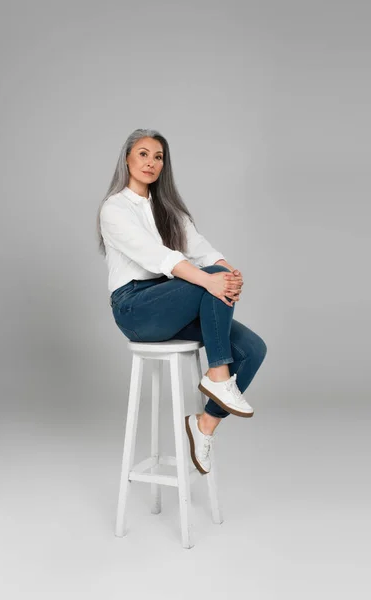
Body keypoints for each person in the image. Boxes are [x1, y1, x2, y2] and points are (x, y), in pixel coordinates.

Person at [96, 128, 267, 475]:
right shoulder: (114, 209)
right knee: (208, 279)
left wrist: (231, 273)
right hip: (135, 308)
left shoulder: (169, 210)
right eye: (143, 154)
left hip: (172, 300)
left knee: (252, 349)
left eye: (158, 157)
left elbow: (202, 248)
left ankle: (204, 425)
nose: (150, 162)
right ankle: (218, 374)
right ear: (127, 158)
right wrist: (210, 279)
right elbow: (155, 256)